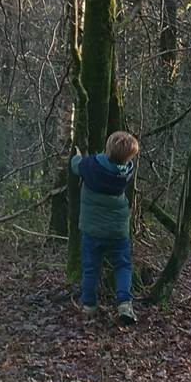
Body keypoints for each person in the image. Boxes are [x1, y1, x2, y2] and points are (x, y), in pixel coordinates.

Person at [70, 131, 140, 326]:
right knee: (123, 266)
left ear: (108, 148)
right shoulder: (127, 171)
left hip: (92, 230)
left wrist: (77, 155)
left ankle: (89, 305)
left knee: (91, 268)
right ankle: (124, 303)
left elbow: (76, 166)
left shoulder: (91, 166)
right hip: (118, 231)